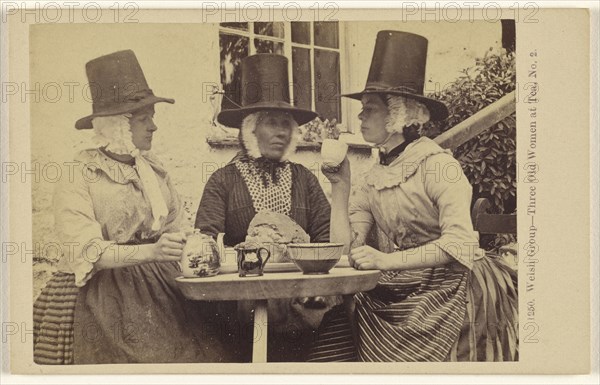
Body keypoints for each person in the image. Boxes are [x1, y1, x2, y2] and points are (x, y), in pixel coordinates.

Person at [309, 31, 518, 362]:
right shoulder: (373, 175)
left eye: (369, 109)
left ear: (398, 116)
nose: (360, 117)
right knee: (336, 324)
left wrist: (387, 260)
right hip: (401, 287)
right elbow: (345, 251)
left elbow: (460, 245)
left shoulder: (438, 166)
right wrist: (341, 186)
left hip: (454, 288)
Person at [33, 50, 232, 364]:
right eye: (143, 119)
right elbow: (86, 251)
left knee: (205, 352)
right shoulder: (80, 174)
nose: (153, 127)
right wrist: (151, 252)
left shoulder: (153, 170)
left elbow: (175, 228)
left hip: (159, 287)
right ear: (116, 126)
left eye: (151, 117)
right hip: (99, 292)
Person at [195, 54, 336, 362]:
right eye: (272, 123)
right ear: (250, 129)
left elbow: (327, 239)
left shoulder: (305, 179)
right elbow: (204, 244)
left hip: (302, 307)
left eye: (287, 124)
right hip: (241, 311)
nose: (282, 132)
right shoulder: (223, 181)